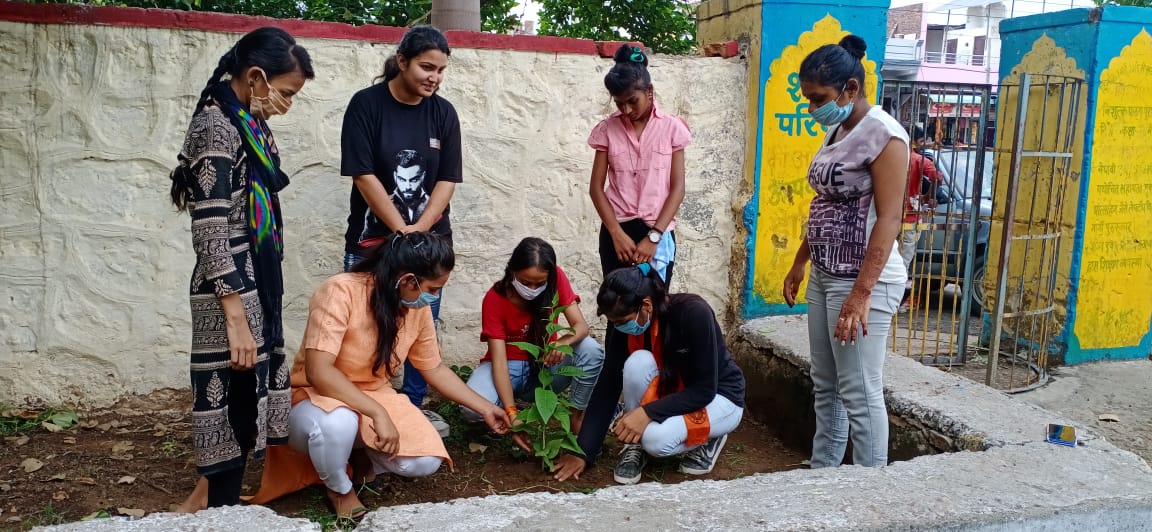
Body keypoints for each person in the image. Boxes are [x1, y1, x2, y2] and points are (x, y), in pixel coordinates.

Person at [248, 232, 513, 519]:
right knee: (338, 424)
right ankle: (339, 488)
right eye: (433, 289)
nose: (433, 297)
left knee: (425, 461)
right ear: (408, 280)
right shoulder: (340, 291)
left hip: (374, 396)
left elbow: (433, 368)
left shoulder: (416, 310)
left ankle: (356, 455)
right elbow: (318, 370)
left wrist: (487, 408)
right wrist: (376, 412)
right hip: (315, 397)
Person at [168, 27, 314, 511]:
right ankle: (218, 513)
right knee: (228, 409)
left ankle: (217, 509)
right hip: (227, 290)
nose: (286, 103)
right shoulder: (216, 128)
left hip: (253, 283)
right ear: (256, 77)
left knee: (243, 409)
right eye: (286, 91)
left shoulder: (246, 122)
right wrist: (235, 318)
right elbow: (209, 231)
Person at [782, 35, 909, 469]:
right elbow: (827, 203)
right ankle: (824, 475)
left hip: (861, 281)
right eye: (809, 98)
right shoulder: (839, 129)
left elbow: (891, 218)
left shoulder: (885, 135)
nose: (812, 106)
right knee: (826, 384)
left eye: (818, 97)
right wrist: (801, 262)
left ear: (850, 89)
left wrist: (861, 292)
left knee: (858, 388)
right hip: (824, 273)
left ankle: (870, 491)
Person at [340, 25, 462, 436]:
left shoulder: (443, 113)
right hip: (371, 245)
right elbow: (363, 175)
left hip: (429, 249)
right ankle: (364, 406)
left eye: (442, 70)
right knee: (364, 329)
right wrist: (400, 231)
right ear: (403, 60)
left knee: (417, 328)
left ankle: (412, 407)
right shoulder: (366, 105)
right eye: (427, 67)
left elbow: (447, 180)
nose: (435, 77)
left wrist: (419, 233)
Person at [550, 265, 746, 485]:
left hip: (718, 397)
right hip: (676, 393)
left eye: (621, 321)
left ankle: (710, 438)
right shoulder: (623, 326)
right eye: (613, 322)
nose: (617, 327)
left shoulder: (693, 313)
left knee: (655, 440)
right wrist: (582, 452)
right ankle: (634, 444)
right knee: (637, 362)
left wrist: (647, 413)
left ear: (646, 305)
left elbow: (703, 389)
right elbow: (608, 386)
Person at [461, 237, 605, 436]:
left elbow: (580, 327)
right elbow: (500, 362)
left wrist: (561, 343)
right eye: (525, 282)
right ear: (512, 271)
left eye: (540, 284)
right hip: (508, 368)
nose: (532, 290)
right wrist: (511, 412)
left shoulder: (557, 279)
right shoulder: (495, 298)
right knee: (471, 409)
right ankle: (508, 410)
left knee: (590, 349)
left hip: (545, 366)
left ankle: (576, 416)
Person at [588, 44, 691, 286]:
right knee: (618, 309)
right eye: (619, 103)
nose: (626, 110)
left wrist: (654, 237)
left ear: (649, 92)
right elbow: (595, 188)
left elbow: (678, 188)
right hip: (617, 235)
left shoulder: (672, 128)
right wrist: (615, 234)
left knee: (656, 310)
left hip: (658, 232)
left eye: (632, 101)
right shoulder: (607, 130)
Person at [898, 126, 942, 312]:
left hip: (886, 218)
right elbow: (938, 178)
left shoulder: (889, 157)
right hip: (910, 218)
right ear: (915, 140)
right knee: (903, 264)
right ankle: (894, 302)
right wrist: (927, 196)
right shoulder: (918, 160)